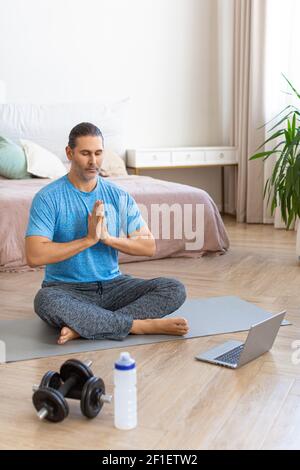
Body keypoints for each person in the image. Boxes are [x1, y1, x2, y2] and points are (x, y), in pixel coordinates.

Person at [25, 122, 189, 344]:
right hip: (66, 290)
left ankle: (84, 327)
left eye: (98, 153)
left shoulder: (117, 195)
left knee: (173, 288)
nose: (93, 161)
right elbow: (35, 256)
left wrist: (107, 239)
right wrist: (88, 239)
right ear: (69, 153)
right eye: (85, 153)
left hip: (114, 287)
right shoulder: (48, 198)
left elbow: (148, 246)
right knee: (44, 300)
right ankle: (138, 326)